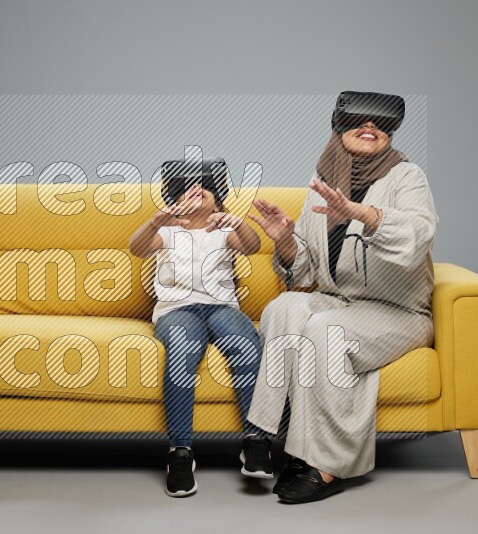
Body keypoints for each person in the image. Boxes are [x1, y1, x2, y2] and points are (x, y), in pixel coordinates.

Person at [246, 92, 438, 504]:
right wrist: (284, 243)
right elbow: (308, 272)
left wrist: (363, 214)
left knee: (325, 330)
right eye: (358, 120)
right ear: (337, 125)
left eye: (380, 123)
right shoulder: (324, 182)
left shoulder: (407, 176)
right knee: (282, 308)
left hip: (398, 311)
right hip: (341, 300)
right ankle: (268, 429)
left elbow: (419, 235)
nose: (370, 127)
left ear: (390, 133)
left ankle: (328, 465)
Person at [129, 158, 273, 497]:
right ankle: (180, 452)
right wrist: (155, 220)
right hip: (177, 310)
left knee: (246, 345)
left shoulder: (224, 229)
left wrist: (237, 223)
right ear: (175, 200)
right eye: (187, 189)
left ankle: (255, 441)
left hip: (221, 308)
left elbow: (252, 246)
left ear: (218, 200)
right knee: (182, 352)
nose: (197, 192)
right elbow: (136, 248)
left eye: (204, 189)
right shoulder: (167, 231)